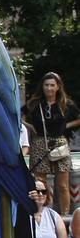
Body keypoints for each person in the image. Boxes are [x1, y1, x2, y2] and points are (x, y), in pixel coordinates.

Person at [23, 72, 80, 215]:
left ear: (58, 87)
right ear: (42, 86)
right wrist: (30, 127)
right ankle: (43, 213)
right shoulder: (35, 103)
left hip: (59, 143)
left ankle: (64, 215)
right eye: (46, 85)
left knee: (62, 185)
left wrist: (66, 126)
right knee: (40, 183)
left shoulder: (66, 103)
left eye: (52, 85)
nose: (49, 88)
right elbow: (19, 115)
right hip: (40, 142)